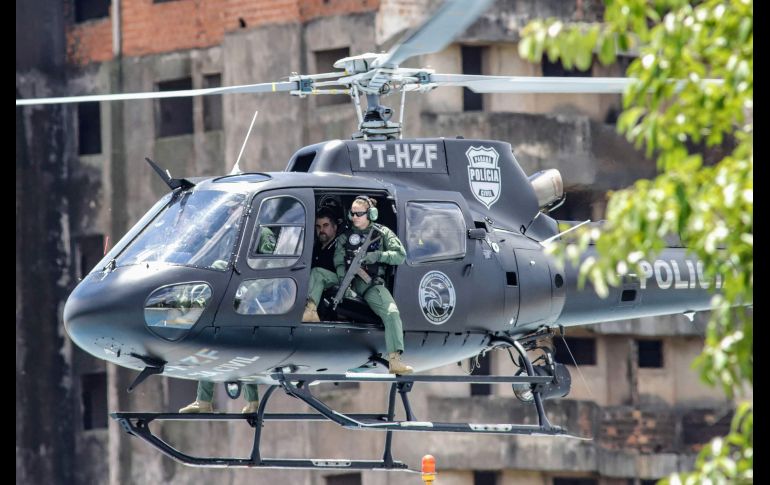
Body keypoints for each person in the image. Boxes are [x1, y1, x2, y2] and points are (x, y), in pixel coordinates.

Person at [303, 196, 413, 374]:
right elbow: (339, 260)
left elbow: (400, 255)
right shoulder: (345, 236)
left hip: (370, 284)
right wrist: (343, 279)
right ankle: (310, 311)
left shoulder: (382, 233)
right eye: (352, 213)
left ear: (371, 214)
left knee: (391, 312)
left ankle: (394, 360)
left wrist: (378, 256)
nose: (354, 217)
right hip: (346, 281)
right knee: (318, 273)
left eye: (358, 213)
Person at [179, 226, 276, 414]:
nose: (233, 213)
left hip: (251, 298)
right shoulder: (232, 232)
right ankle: (204, 401)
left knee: (241, 349)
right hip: (231, 295)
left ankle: (251, 402)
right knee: (211, 344)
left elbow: (271, 268)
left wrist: (253, 288)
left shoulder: (262, 234)